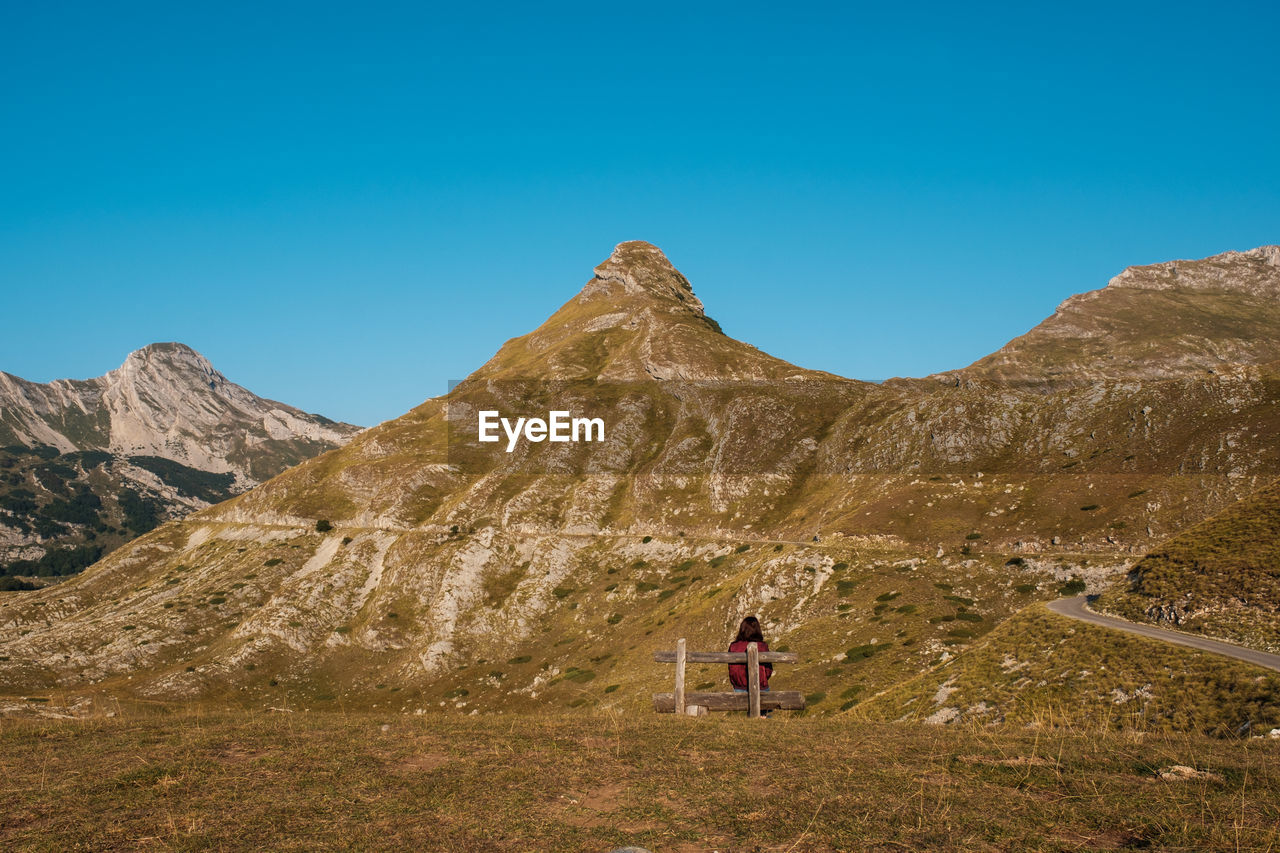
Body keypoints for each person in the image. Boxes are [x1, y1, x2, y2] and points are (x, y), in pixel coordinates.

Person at [728, 616, 773, 714]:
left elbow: (731, 669)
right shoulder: (762, 646)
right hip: (761, 687)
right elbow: (769, 670)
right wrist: (763, 678)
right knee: (764, 715)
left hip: (739, 687)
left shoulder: (734, 646)